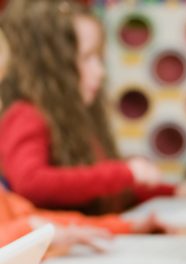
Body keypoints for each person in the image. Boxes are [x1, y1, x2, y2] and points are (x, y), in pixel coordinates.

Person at [0, 0, 174, 214]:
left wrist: (175, 191)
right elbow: (31, 182)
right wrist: (124, 174)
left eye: (99, 58)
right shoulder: (25, 115)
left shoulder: (73, 117)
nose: (100, 72)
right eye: (87, 57)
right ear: (52, 67)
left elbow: (104, 193)